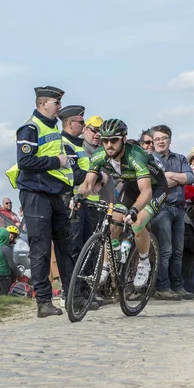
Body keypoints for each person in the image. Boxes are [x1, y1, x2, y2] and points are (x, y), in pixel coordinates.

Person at [5, 86, 75, 318]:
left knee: (65, 246)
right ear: (43, 104)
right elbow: (25, 161)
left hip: (54, 194)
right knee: (41, 249)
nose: (59, 108)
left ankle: (73, 294)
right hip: (35, 194)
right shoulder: (30, 128)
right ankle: (44, 302)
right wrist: (57, 161)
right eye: (56, 103)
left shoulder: (52, 127)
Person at [73, 119, 168, 290]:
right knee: (113, 221)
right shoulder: (99, 155)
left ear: (124, 139)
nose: (109, 145)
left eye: (114, 140)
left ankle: (144, 262)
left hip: (154, 188)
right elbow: (88, 184)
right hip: (131, 186)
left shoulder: (136, 156)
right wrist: (78, 196)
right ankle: (107, 265)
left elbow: (146, 192)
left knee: (138, 222)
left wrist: (134, 210)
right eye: (105, 140)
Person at [59, 105, 106, 305]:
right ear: (70, 123)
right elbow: (75, 174)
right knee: (75, 248)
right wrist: (98, 177)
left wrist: (96, 177)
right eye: (81, 122)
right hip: (72, 201)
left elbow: (88, 172)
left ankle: (87, 293)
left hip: (88, 202)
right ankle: (73, 294)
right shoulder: (64, 143)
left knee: (90, 248)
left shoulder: (78, 145)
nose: (84, 125)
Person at [151, 124, 194, 300]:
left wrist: (169, 175)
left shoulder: (180, 158)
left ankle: (177, 286)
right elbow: (157, 183)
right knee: (165, 250)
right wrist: (178, 179)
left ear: (170, 140)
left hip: (179, 208)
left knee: (178, 250)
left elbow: (191, 178)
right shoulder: (149, 159)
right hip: (161, 208)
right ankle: (162, 287)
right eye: (157, 139)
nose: (160, 142)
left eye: (164, 138)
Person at [0, 227, 23, 295]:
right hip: (4, 273)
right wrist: (19, 273)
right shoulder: (6, 249)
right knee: (5, 293)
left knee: (1, 288)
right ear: (5, 237)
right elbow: (12, 265)